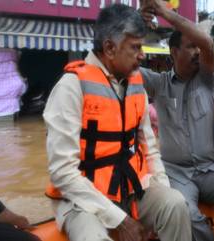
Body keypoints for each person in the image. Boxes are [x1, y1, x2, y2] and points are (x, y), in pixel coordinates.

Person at [43, 4, 191, 241]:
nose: (142, 55)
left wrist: (163, 190)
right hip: (83, 201)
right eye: (135, 47)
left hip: (132, 189)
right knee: (91, 236)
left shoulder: (135, 87)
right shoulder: (71, 88)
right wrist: (119, 219)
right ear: (110, 48)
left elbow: (150, 151)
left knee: (174, 204)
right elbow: (62, 172)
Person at [140, 1, 214, 241]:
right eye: (189, 47)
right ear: (174, 52)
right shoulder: (159, 84)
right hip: (175, 172)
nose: (197, 52)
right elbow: (126, 64)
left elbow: (208, 43)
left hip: (209, 170)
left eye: (197, 47)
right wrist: (138, 20)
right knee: (188, 215)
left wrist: (166, 13)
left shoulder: (206, 78)